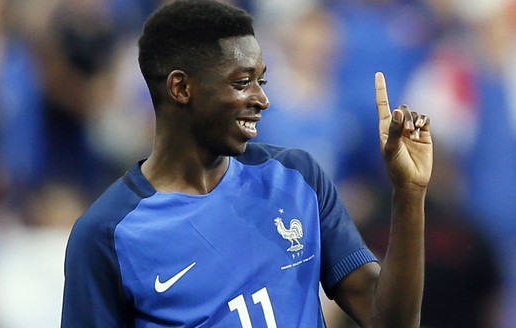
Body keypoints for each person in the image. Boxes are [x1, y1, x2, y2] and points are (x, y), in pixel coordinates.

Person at [61, 0, 433, 327]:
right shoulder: (107, 234)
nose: (262, 99)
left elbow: (390, 321)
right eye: (242, 83)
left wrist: (409, 192)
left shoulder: (297, 178)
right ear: (181, 88)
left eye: (262, 80)